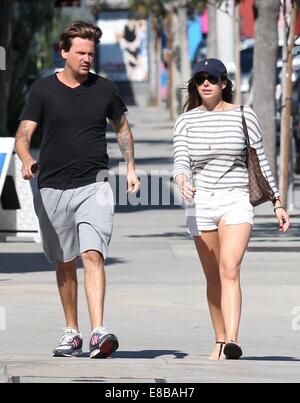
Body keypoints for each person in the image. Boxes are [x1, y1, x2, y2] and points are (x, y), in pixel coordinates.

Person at [15, 21, 140, 359]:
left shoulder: (104, 89)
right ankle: (72, 332)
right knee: (66, 261)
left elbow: (123, 128)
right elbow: (23, 135)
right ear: (64, 53)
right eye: (81, 53)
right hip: (52, 187)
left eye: (91, 53)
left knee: (92, 254)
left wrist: (130, 167)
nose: (87, 59)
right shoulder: (42, 90)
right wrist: (27, 159)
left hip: (94, 185)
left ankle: (99, 331)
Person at [173, 58, 289, 360]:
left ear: (225, 83)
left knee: (230, 268)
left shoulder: (243, 115)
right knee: (213, 278)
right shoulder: (185, 120)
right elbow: (180, 159)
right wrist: (182, 178)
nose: (206, 84)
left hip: (236, 199)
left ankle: (233, 340)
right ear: (195, 85)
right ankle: (220, 340)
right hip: (201, 202)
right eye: (200, 79)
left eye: (213, 78)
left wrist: (277, 201)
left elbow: (260, 160)